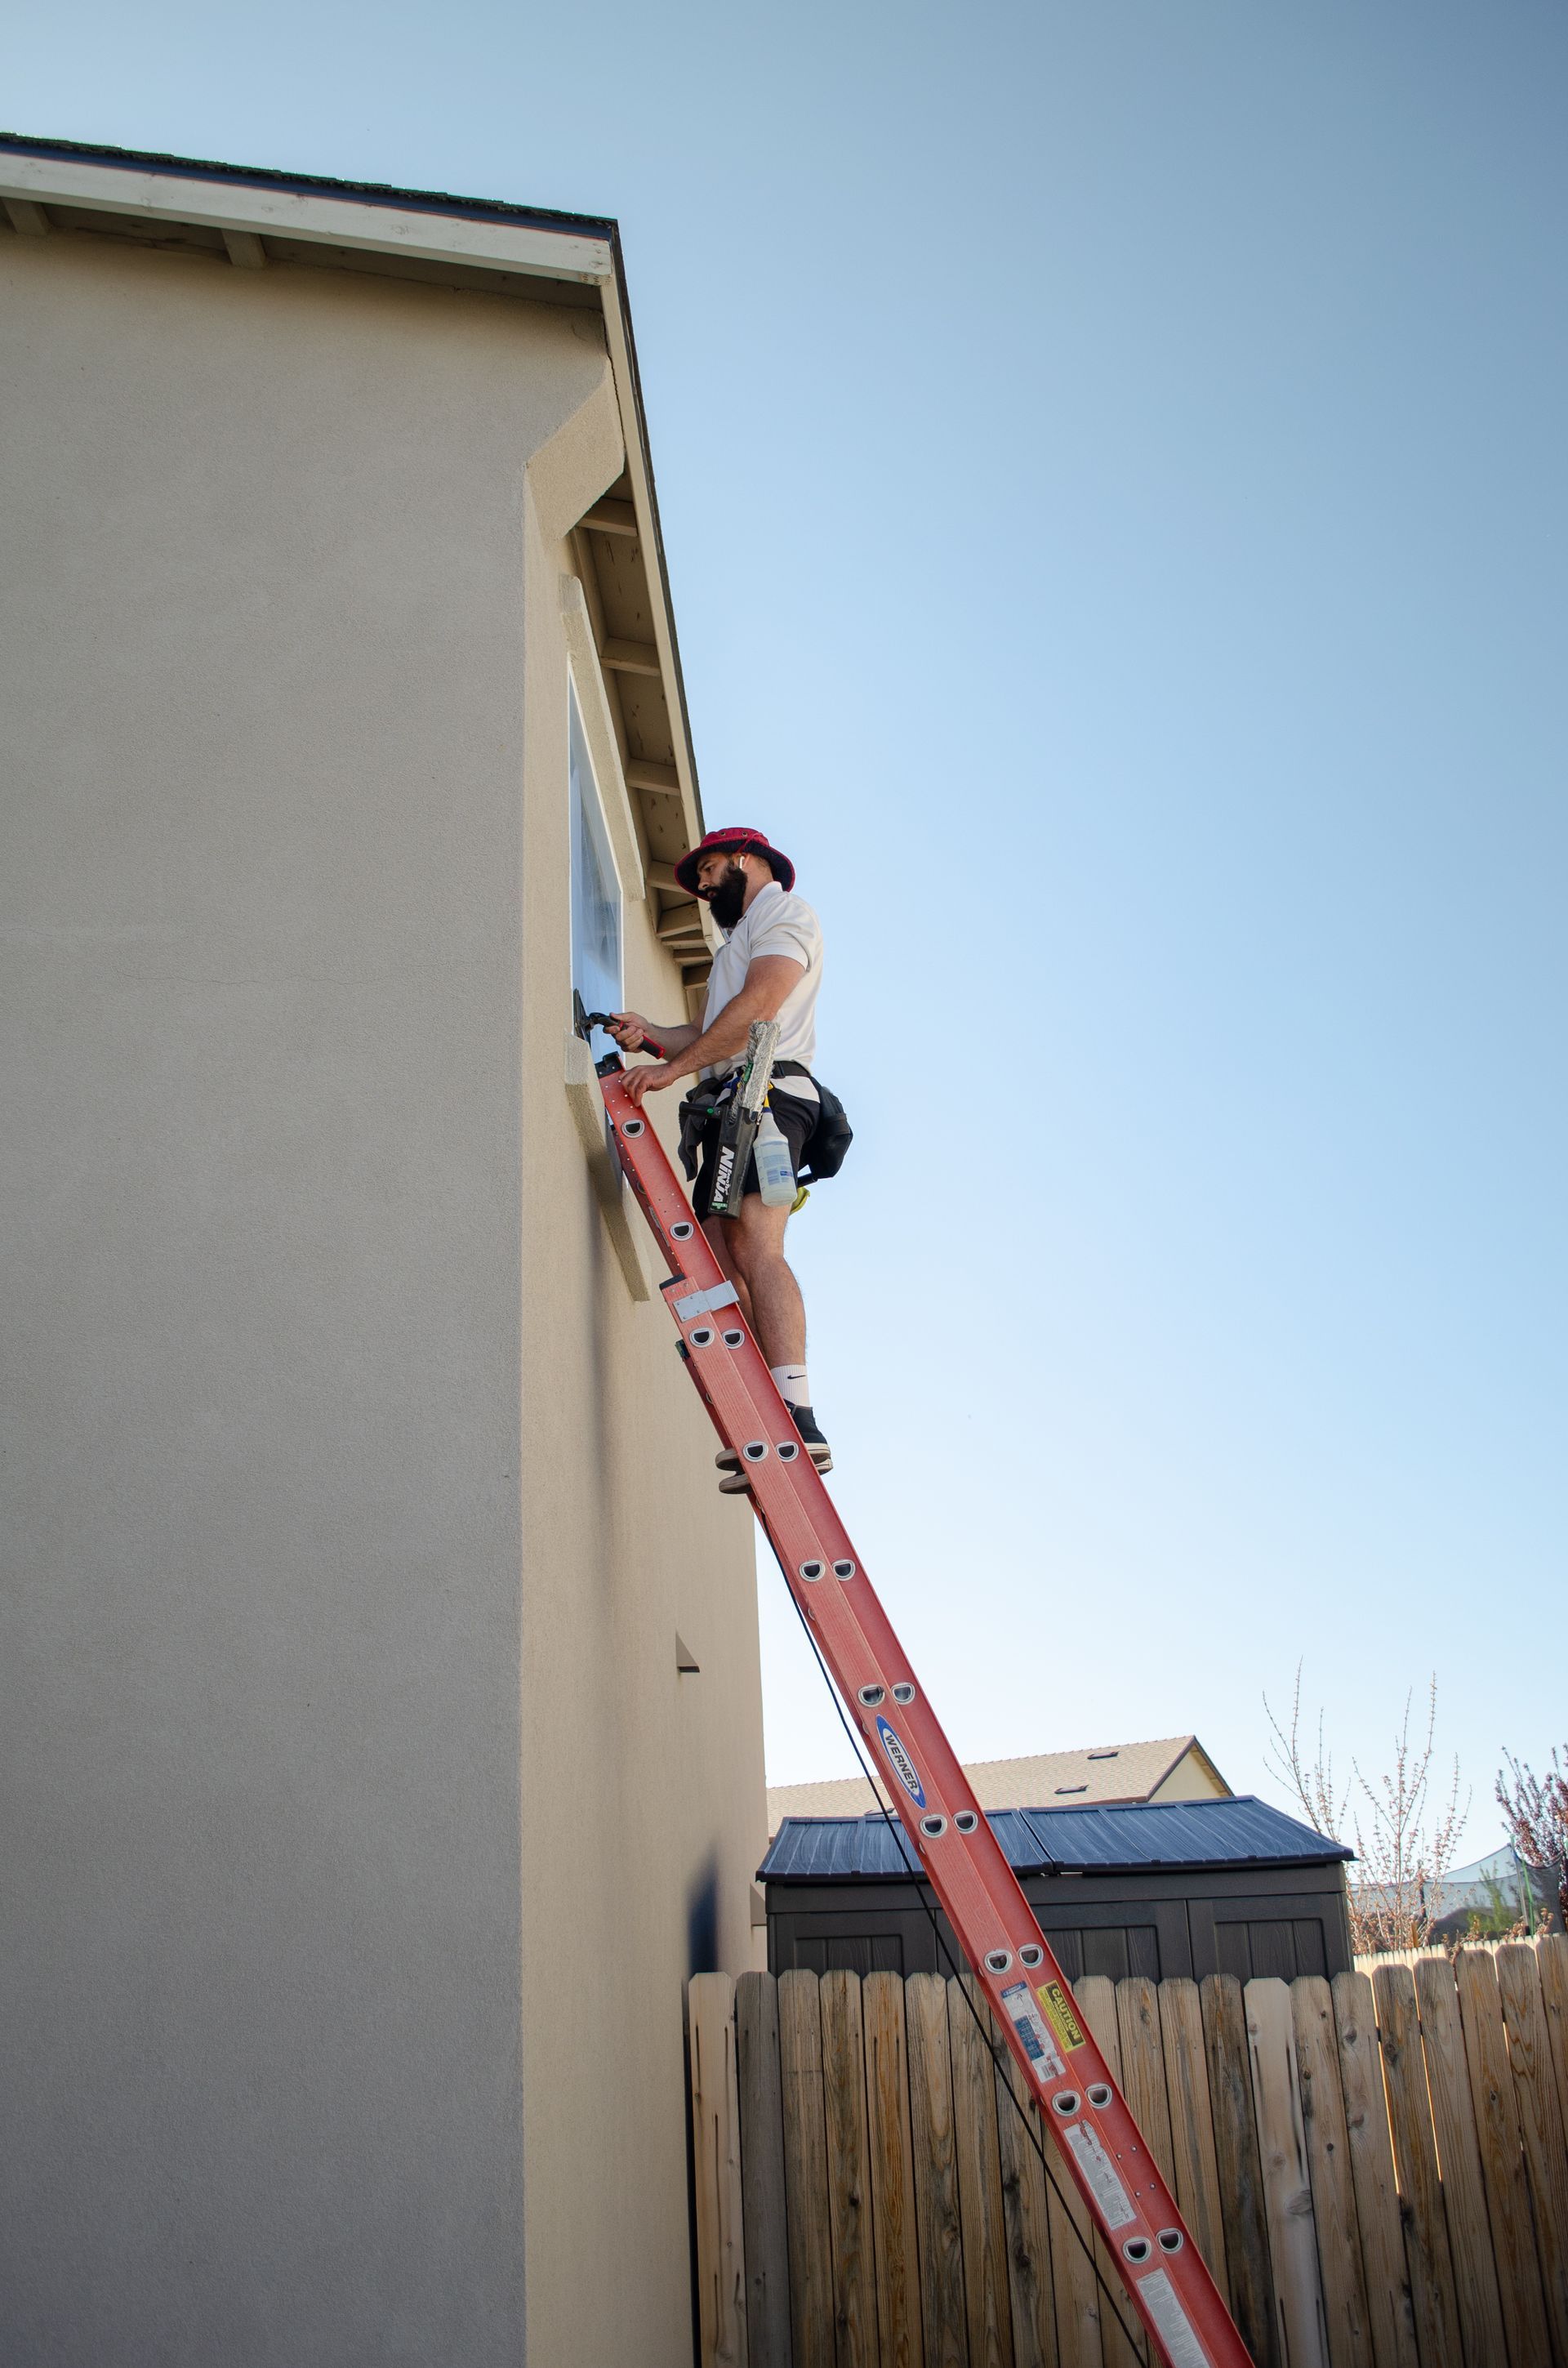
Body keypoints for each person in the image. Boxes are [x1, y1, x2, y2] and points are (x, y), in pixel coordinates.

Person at [608, 825, 834, 1483]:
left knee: (758, 1246)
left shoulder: (786, 915)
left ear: (743, 859)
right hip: (731, 1099)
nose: (702, 887)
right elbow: (710, 1032)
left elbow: (761, 1005)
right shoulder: (734, 944)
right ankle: (763, 1408)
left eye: (707, 870)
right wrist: (653, 1037)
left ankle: (798, 1411)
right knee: (717, 1254)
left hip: (769, 1091)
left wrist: (676, 1068)